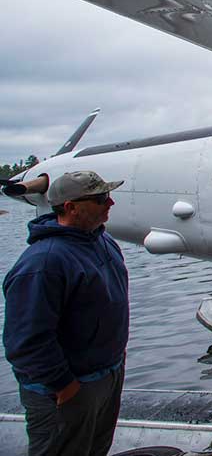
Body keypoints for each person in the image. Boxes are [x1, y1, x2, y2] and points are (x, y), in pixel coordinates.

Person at [4, 171, 129, 456]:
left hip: (106, 376)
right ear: (71, 207)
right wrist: (64, 386)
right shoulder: (44, 262)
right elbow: (25, 341)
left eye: (108, 196)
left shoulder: (102, 241)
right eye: (100, 199)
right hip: (68, 390)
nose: (109, 204)